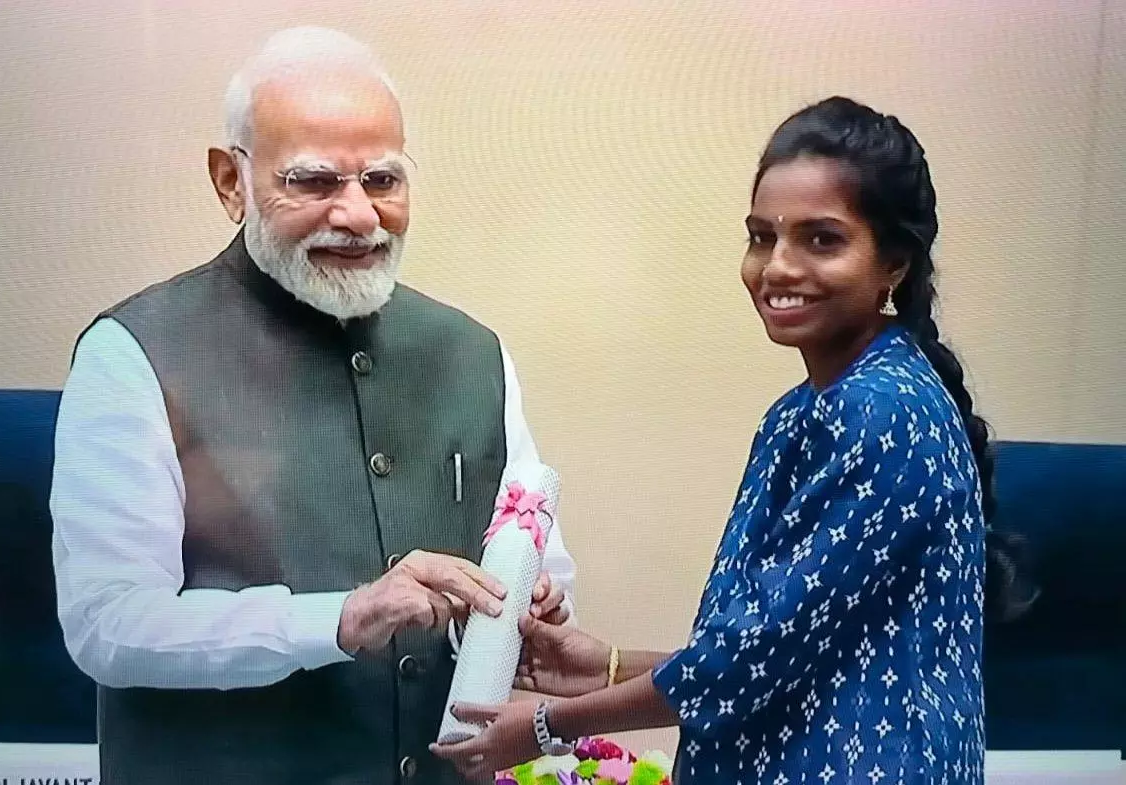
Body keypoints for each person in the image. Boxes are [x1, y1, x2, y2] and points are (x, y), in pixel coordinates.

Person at [431, 96, 1036, 784]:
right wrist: (601, 665)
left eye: (821, 239)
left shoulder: (881, 411)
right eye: (761, 235)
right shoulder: (806, 409)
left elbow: (751, 661)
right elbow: (776, 656)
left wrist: (545, 724)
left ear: (893, 262)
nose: (777, 266)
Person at [49, 26, 578, 785]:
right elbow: (109, 623)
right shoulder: (132, 352)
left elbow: (544, 564)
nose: (359, 215)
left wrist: (535, 602)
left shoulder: (474, 351)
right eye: (314, 181)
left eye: (383, 180)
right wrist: (342, 617)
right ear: (231, 181)